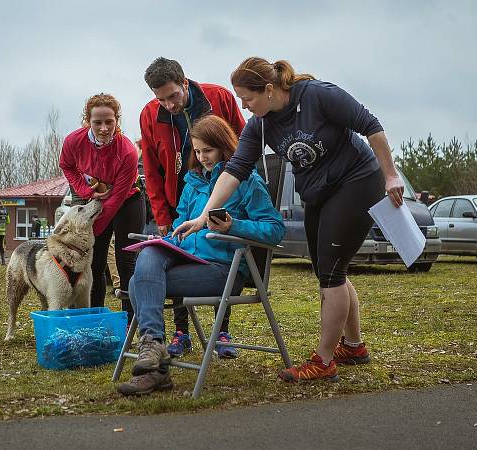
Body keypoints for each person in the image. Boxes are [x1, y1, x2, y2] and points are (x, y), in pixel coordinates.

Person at [174, 57, 406, 383]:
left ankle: (324, 362)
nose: (244, 106)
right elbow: (235, 170)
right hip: (318, 192)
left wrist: (391, 175)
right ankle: (352, 346)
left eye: (248, 98)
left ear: (269, 89)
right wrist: (202, 216)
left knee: (331, 272)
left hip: (356, 180)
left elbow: (371, 125)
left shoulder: (317, 96)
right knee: (328, 267)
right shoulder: (260, 124)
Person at [117, 115, 285, 395]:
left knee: (138, 283)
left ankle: (156, 368)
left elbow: (275, 229)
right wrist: (167, 240)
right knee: (150, 252)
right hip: (187, 259)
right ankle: (154, 344)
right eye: (197, 151)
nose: (202, 157)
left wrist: (235, 225)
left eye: (208, 150)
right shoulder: (192, 182)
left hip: (224, 269)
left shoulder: (245, 181)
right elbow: (182, 224)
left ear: (223, 147)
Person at [139, 57, 247, 354]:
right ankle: (180, 332)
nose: (169, 105)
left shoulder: (219, 97)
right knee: (176, 251)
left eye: (173, 96)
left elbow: (244, 141)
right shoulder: (149, 115)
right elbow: (151, 169)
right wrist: (161, 214)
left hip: (224, 193)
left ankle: (221, 333)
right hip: (181, 197)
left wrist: (243, 191)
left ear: (184, 83)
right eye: (161, 99)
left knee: (218, 248)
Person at [59, 93, 146, 316]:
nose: (104, 128)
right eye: (97, 122)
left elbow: (116, 199)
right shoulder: (73, 141)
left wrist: (90, 230)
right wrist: (85, 190)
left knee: (126, 261)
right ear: (88, 120)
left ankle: (129, 321)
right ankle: (93, 319)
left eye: (110, 122)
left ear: (117, 120)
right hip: (94, 199)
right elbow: (67, 166)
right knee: (94, 263)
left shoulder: (126, 150)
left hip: (127, 199)